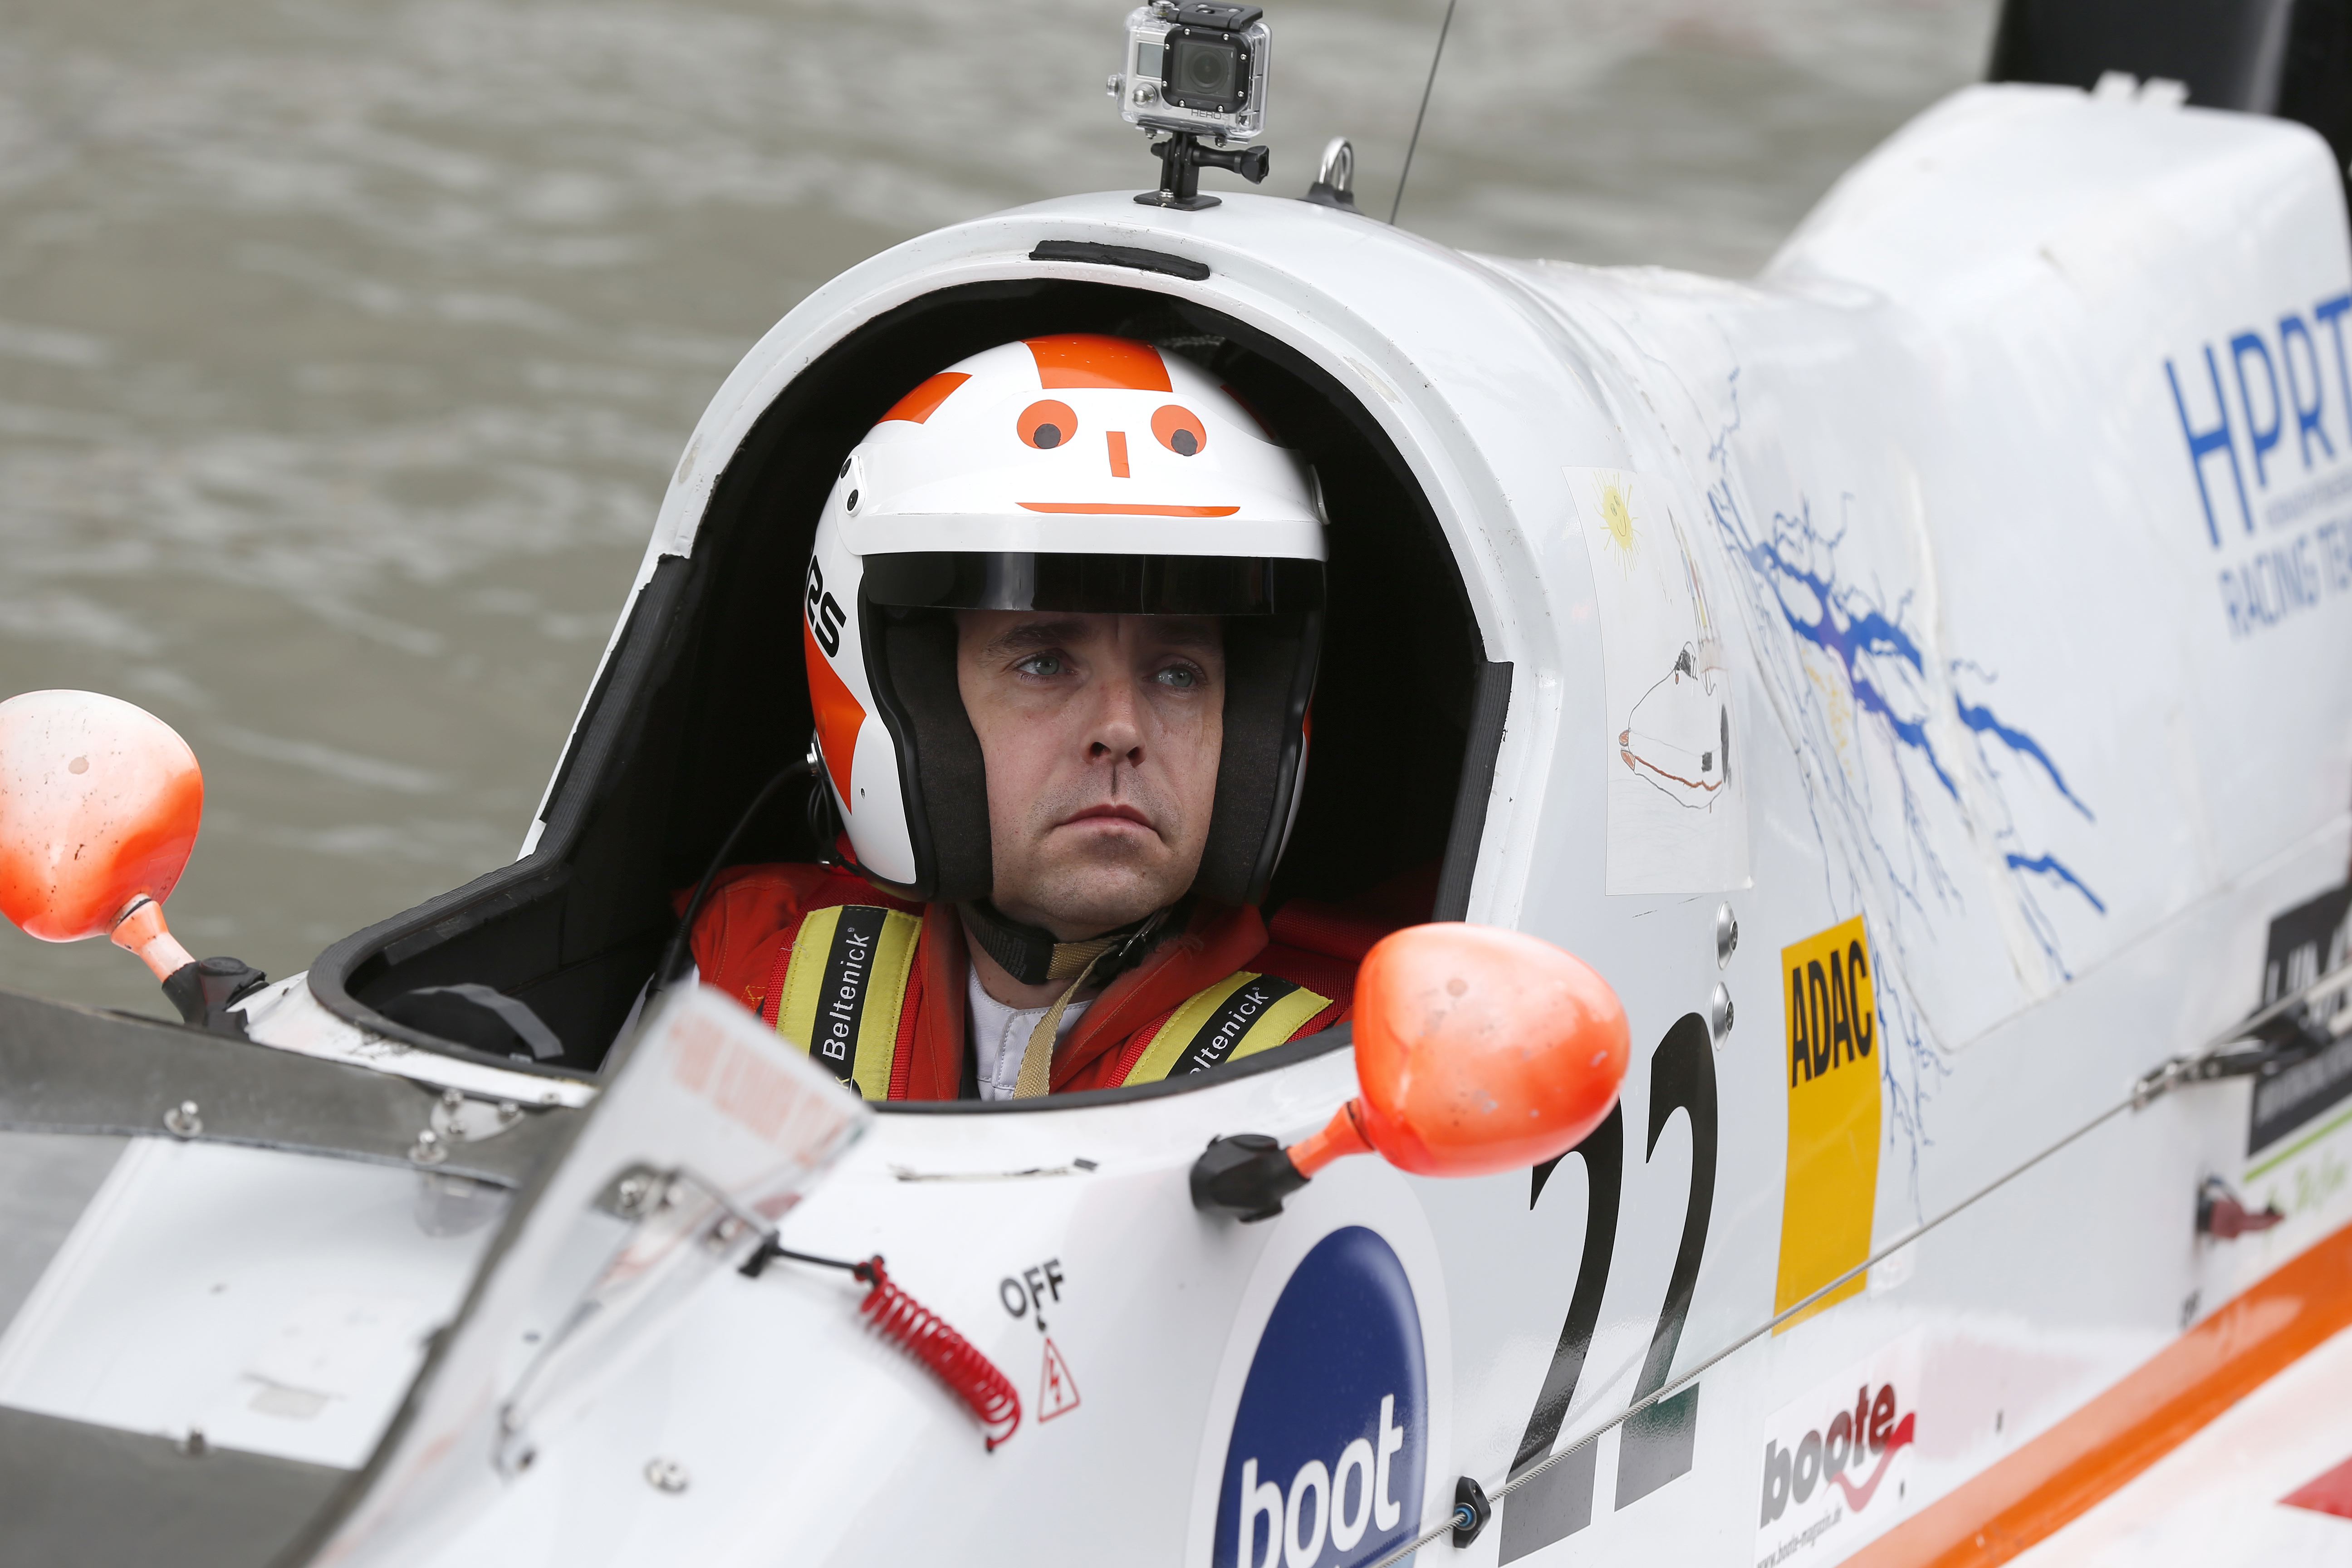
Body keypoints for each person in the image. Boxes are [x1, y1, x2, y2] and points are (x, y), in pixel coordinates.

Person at [686, 333, 1394, 1099]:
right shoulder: (745, 973)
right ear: (919, 702)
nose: (1120, 730)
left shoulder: (1365, 1068)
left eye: (1178, 674)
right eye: (1045, 664)